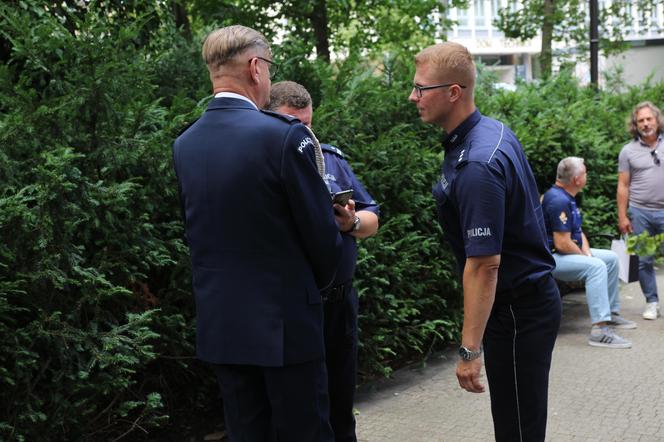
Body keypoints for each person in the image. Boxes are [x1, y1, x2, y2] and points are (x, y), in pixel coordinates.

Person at [172, 25, 344, 442]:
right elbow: (323, 239)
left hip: (223, 327)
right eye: (267, 66)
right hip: (285, 325)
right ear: (254, 68)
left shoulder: (185, 144)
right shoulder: (284, 137)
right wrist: (314, 286)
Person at [409, 42, 561, 442]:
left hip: (516, 311)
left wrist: (468, 351)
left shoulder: (476, 163)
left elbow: (484, 265)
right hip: (522, 304)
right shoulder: (487, 131)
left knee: (517, 430)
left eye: (421, 88)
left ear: (453, 92)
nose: (413, 97)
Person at [267, 80, 380, 442]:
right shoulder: (263, 165)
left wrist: (352, 222)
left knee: (341, 404)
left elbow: (372, 217)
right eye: (293, 123)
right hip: (294, 307)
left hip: (339, 304)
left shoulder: (330, 158)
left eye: (308, 124)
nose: (304, 134)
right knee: (299, 410)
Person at [542, 157, 636, 348]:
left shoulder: (567, 195)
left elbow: (578, 232)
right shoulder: (558, 200)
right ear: (577, 179)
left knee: (610, 258)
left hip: (566, 252)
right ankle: (599, 331)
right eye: (585, 172)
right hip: (552, 258)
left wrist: (586, 253)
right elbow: (562, 243)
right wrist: (586, 258)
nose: (587, 175)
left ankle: (610, 314)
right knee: (596, 267)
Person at [617, 101, 664, 320]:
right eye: (641, 121)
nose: (645, 124)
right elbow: (623, 185)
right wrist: (622, 215)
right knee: (644, 259)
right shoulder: (628, 151)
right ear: (635, 125)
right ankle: (652, 302)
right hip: (641, 213)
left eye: (649, 119)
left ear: (657, 120)